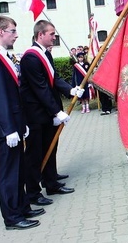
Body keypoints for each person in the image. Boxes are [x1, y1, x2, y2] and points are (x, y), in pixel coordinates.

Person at [0, 15, 44, 230]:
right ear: (0, 32)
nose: (16, 35)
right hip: (7, 128)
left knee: (18, 170)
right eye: (12, 31)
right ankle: (12, 217)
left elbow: (13, 94)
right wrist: (9, 129)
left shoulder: (4, 56)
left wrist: (22, 123)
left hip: (16, 124)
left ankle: (22, 207)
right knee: (9, 173)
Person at [20, 20, 84, 206]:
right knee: (35, 154)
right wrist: (57, 111)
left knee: (50, 146)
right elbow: (40, 88)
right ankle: (33, 192)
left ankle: (51, 182)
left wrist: (70, 90)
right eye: (51, 34)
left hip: (46, 112)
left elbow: (54, 78)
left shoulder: (45, 53)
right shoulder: (30, 57)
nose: (54, 37)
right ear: (40, 35)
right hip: (35, 114)